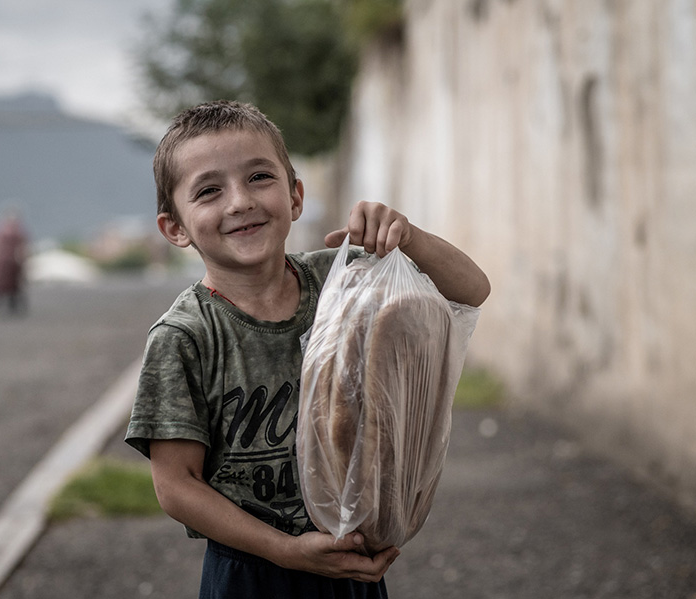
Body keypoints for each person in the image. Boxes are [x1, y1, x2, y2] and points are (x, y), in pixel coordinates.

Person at [125, 100, 490, 598]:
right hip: (250, 573)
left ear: (295, 196)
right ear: (176, 228)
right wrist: (283, 549)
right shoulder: (184, 337)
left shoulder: (345, 282)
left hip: (353, 565)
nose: (240, 202)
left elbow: (471, 291)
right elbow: (177, 486)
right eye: (209, 191)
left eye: (259, 178)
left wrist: (410, 238)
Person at [0, 209, 28, 315]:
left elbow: (22, 246)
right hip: (6, 261)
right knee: (6, 284)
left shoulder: (5, 230)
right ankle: (4, 302)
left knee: (11, 284)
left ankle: (9, 303)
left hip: (9, 261)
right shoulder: (13, 230)